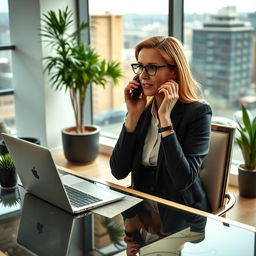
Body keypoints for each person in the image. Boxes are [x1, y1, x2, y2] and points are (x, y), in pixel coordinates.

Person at [109, 36, 212, 254]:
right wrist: (132, 117)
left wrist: (165, 120)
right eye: (140, 67)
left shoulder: (198, 113)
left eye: (152, 68)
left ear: (174, 71)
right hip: (142, 207)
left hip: (181, 216)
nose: (142, 76)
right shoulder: (142, 111)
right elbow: (118, 171)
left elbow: (182, 179)